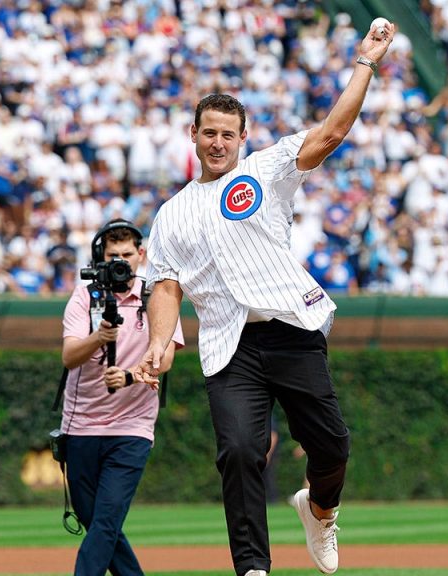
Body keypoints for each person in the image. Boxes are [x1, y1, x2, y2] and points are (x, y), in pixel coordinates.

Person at [137, 20, 397, 576]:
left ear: (242, 137)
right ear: (193, 134)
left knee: (332, 446)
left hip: (291, 329)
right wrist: (159, 341)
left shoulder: (266, 169)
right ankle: (253, 568)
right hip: (229, 348)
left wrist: (365, 63)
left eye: (228, 134)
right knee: (238, 452)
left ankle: (320, 510)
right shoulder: (171, 214)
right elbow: (165, 286)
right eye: (209, 132)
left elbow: (331, 133)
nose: (218, 142)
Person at [58, 219, 184, 576]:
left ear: (141, 255)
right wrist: (98, 338)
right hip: (80, 424)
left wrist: (129, 376)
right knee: (95, 519)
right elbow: (69, 357)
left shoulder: (157, 296)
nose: (120, 262)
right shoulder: (85, 295)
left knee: (107, 518)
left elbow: (167, 359)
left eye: (127, 255)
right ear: (101, 258)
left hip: (132, 426)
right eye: (113, 255)